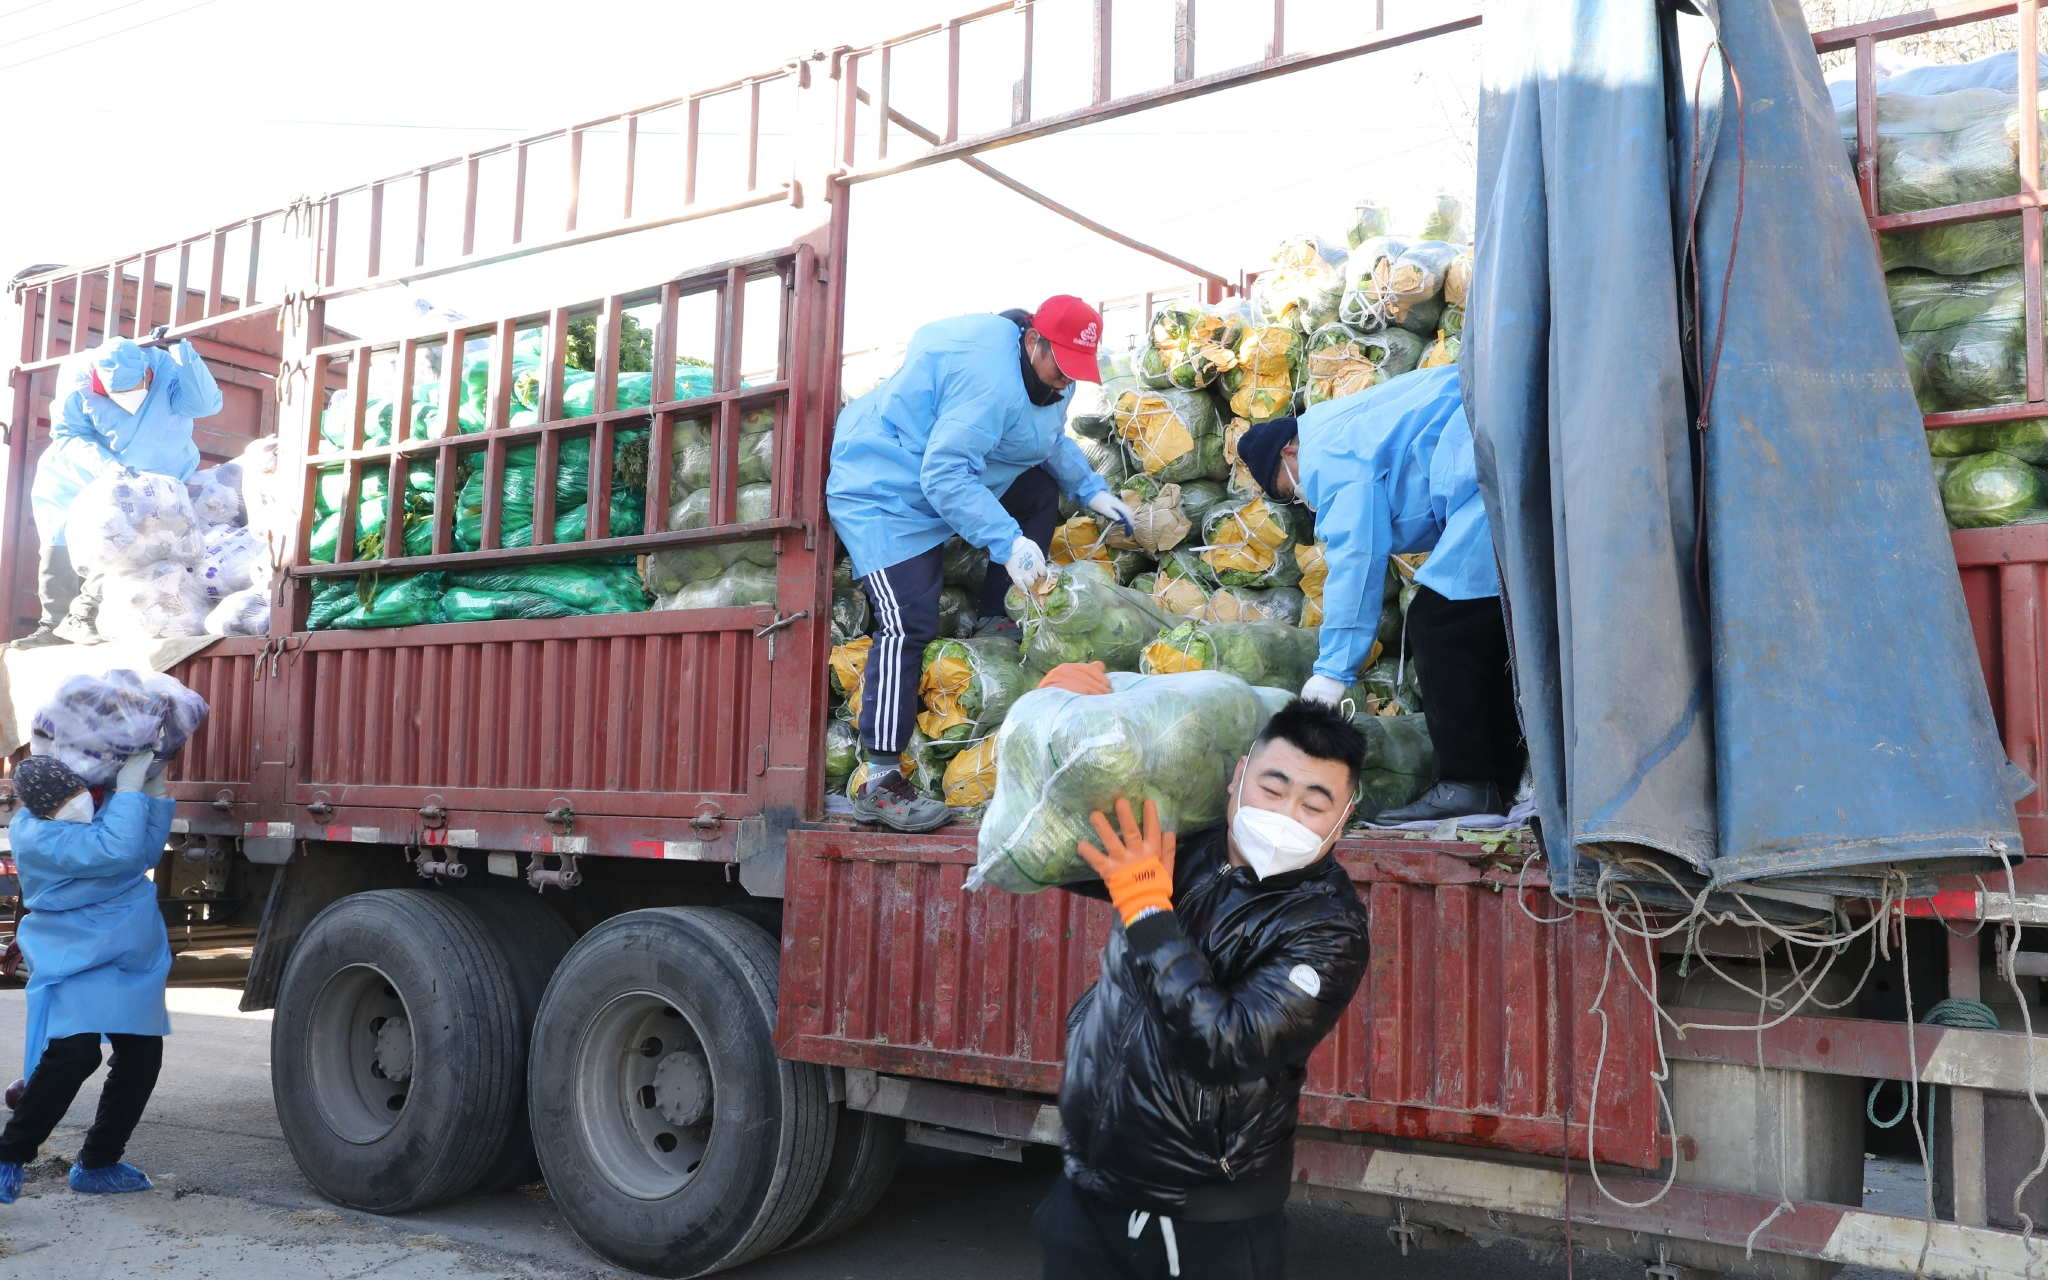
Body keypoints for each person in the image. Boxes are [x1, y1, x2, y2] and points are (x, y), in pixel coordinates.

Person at [1027, 684, 1371, 1280]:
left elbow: (1227, 1046)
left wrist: (1151, 917)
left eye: (1314, 804)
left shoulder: (1328, 929)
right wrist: (1050, 719)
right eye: (1273, 786)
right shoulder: (1185, 844)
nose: (1285, 814)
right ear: (1239, 776)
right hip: (1088, 1188)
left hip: (1205, 1222)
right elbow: (1048, 844)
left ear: (1342, 819)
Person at [825, 297, 1136, 834]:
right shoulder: (985, 382)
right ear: (1033, 341)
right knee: (908, 623)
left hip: (945, 478)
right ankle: (879, 780)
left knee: (1039, 490)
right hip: (885, 488)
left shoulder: (1052, 379)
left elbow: (1047, 441)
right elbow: (943, 476)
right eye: (1060, 368)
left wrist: (1091, 489)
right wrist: (1007, 542)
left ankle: (996, 619)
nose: (1066, 383)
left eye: (1074, 374)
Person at [1235, 365, 1522, 823]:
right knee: (1489, 627)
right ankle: (1497, 785)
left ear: (1289, 451)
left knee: (1439, 621)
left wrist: (1331, 673)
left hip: (1485, 467)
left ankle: (1468, 785)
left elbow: (1358, 559)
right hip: (1497, 447)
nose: (1302, 499)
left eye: (1290, 488)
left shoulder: (1327, 457)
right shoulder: (1339, 422)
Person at [0, 750, 173, 1204]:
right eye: (65, 800)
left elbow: (144, 850)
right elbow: (115, 850)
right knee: (74, 1054)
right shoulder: (35, 834)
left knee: (141, 1055)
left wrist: (151, 796)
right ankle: (8, 1156)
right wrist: (132, 792)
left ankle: (98, 1162)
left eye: (80, 793)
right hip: (73, 954)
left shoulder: (100, 815)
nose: (77, 804)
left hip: (126, 954)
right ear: (41, 808)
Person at [18, 333, 223, 648]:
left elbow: (206, 404)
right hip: (82, 473)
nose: (124, 398)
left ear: (147, 375)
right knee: (59, 540)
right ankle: (52, 627)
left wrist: (184, 353)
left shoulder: (168, 367)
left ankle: (86, 617)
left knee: (125, 545)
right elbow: (69, 433)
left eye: (132, 389)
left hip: (156, 478)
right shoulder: (78, 374)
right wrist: (108, 469)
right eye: (113, 392)